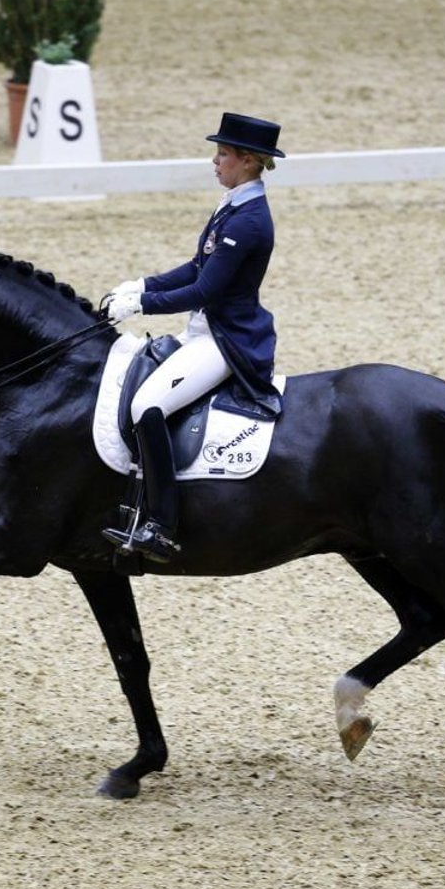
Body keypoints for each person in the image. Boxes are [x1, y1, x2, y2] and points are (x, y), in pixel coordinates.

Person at [101, 112, 286, 563]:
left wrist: (141, 306)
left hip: (225, 341)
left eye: (222, 154)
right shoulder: (233, 205)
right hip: (202, 330)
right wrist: (142, 284)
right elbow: (194, 267)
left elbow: (205, 290)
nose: (215, 161)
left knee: (149, 406)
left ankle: (162, 525)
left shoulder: (250, 221)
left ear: (246, 161)